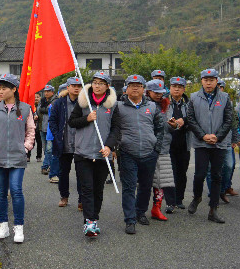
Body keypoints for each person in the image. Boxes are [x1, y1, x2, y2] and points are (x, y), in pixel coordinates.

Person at [105, 74, 164, 235]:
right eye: (132, 85)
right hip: (127, 152)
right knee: (129, 187)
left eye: (138, 85)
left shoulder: (152, 106)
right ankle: (130, 219)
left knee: (145, 186)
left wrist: (156, 149)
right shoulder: (118, 106)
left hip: (149, 153)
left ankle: (140, 212)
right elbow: (113, 128)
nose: (135, 88)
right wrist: (116, 147)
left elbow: (160, 128)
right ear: (126, 88)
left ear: (144, 89)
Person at [0, 74, 35, 243]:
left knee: (16, 190)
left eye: (5, 88)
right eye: (0, 88)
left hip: (17, 157)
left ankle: (18, 227)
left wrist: (25, 147)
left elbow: (30, 131)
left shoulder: (25, 109)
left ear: (14, 89)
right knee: (0, 192)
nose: (1, 91)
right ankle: (3, 224)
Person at [68, 72, 117, 236]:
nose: (97, 86)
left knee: (98, 189)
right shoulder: (83, 102)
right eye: (95, 82)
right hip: (83, 153)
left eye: (101, 83)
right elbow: (72, 122)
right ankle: (89, 221)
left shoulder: (113, 105)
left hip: (103, 154)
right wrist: (87, 118)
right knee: (87, 188)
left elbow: (116, 129)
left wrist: (110, 146)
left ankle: (94, 218)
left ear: (107, 86)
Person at [186, 68, 231, 224]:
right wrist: (203, 135)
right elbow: (190, 119)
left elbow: (228, 120)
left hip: (219, 143)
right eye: (206, 80)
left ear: (217, 81)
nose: (209, 82)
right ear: (202, 81)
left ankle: (213, 210)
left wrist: (217, 137)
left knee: (217, 176)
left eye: (212, 80)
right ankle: (197, 197)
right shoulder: (193, 98)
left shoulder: (225, 97)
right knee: (199, 174)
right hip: (201, 143)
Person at [48, 76, 83, 208]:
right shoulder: (59, 103)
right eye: (73, 85)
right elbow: (52, 121)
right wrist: (57, 136)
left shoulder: (85, 102)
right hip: (64, 143)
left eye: (79, 86)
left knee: (82, 173)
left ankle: (82, 199)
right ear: (67, 87)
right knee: (63, 172)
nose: (76, 88)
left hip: (80, 143)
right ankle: (64, 196)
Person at [146, 79, 175, 221]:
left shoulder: (166, 105)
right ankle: (139, 209)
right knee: (145, 180)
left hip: (163, 147)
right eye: (155, 92)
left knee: (161, 180)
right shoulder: (143, 104)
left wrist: (174, 124)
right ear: (148, 91)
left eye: (161, 93)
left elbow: (169, 125)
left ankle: (156, 207)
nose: (158, 95)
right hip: (146, 147)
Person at [167, 77, 190, 210]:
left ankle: (179, 198)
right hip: (169, 143)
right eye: (174, 86)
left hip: (184, 143)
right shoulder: (164, 102)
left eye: (180, 87)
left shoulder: (189, 104)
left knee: (182, 172)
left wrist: (184, 121)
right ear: (170, 88)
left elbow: (193, 118)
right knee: (171, 173)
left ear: (184, 89)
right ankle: (171, 202)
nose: (176, 89)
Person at [38, 85, 56, 176]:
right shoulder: (42, 100)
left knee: (49, 149)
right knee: (45, 149)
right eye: (45, 91)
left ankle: (45, 166)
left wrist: (43, 109)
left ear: (52, 92)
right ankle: (49, 165)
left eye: (48, 91)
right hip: (42, 127)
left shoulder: (55, 100)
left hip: (50, 128)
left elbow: (49, 110)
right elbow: (39, 110)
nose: (46, 93)